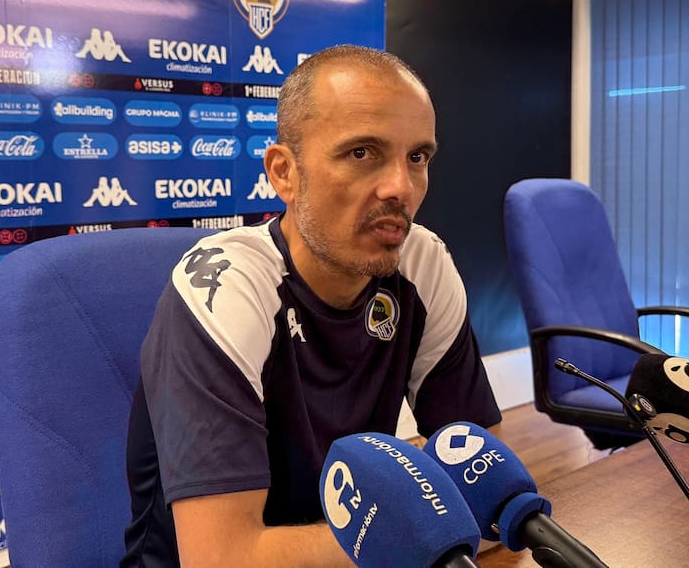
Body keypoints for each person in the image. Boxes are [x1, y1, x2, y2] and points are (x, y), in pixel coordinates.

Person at [123, 45, 502, 567]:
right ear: (284, 173)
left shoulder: (421, 263)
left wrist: (424, 521)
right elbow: (220, 559)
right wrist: (419, 523)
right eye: (362, 153)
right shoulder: (226, 285)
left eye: (417, 157)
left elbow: (488, 490)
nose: (401, 188)